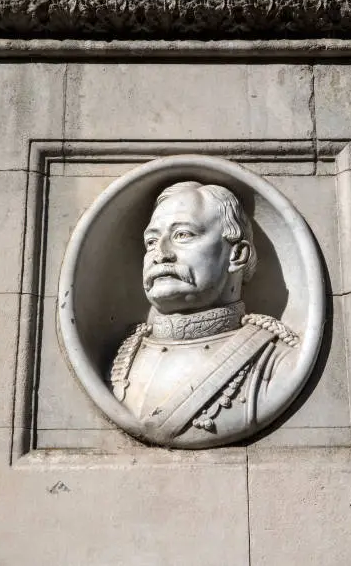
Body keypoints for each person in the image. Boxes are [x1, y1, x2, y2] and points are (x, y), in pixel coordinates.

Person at [109, 181, 299, 448]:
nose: (159, 254)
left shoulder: (278, 363)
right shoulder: (120, 360)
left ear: (237, 254)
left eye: (183, 235)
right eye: (151, 241)